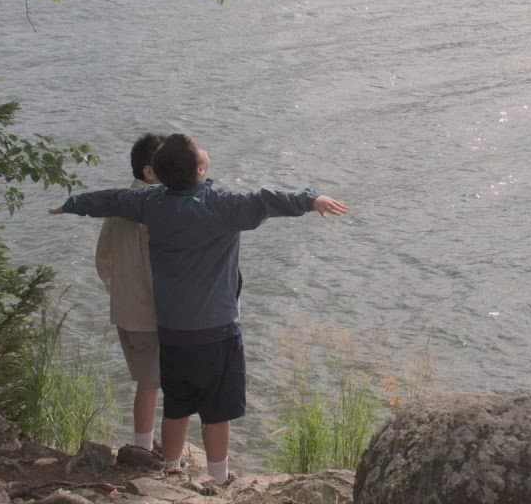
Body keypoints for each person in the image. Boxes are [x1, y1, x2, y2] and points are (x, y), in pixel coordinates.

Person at [51, 133, 349, 483]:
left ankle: (171, 469)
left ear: (159, 174)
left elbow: (111, 200)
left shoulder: (152, 204)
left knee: (176, 405)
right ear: (200, 169)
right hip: (217, 329)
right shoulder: (222, 205)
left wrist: (72, 204)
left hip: (173, 330)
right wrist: (312, 198)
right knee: (216, 411)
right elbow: (267, 200)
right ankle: (219, 478)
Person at [95, 132, 165, 453]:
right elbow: (155, 269)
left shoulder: (119, 204)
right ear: (150, 173)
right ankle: (143, 448)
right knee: (151, 384)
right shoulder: (150, 211)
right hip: (149, 314)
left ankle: (147, 441)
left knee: (148, 381)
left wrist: (118, 290)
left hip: (124, 310)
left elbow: (103, 259)